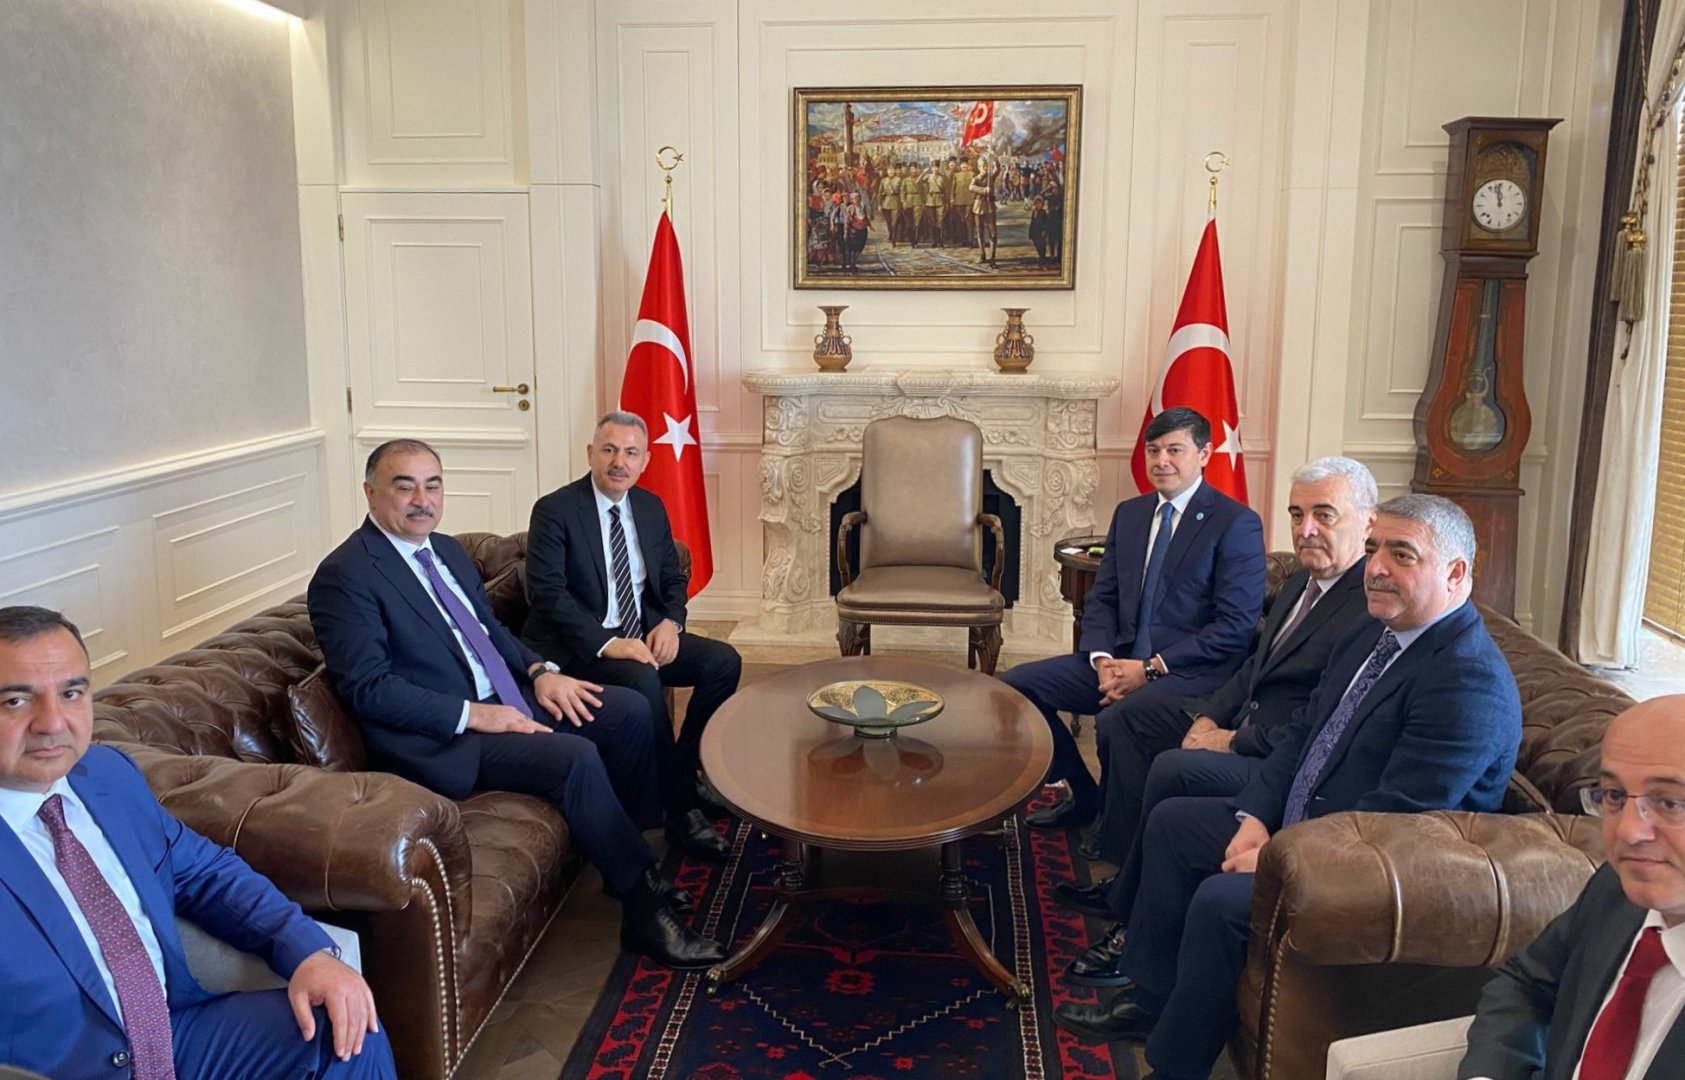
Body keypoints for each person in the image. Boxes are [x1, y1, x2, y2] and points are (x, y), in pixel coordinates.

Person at [1053, 494, 1523, 1080]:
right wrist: (1255, 816)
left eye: (1402, 554)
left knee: (1221, 902)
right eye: (1374, 548)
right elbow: (1305, 733)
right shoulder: (1375, 631)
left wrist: (1281, 857)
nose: (1376, 567)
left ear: (1454, 573)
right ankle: (1150, 1000)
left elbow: (1396, 825)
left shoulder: (1467, 682)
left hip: (1381, 875)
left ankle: (1175, 1066)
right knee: (1174, 824)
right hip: (1312, 823)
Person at [307, 439, 725, 969]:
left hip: (508, 696)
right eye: (404, 486)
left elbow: (491, 631)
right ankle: (643, 912)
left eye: (432, 485)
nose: (422, 500)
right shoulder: (346, 575)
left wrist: (540, 673)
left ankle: (628, 864)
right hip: (447, 735)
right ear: (370, 493)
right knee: (574, 758)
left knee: (629, 711)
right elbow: (369, 687)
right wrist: (475, 715)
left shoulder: (446, 551)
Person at [0, 605, 397, 1080]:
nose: (52, 723)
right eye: (16, 701)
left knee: (347, 1032)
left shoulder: (107, 775)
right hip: (63, 1070)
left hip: (174, 1036)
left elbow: (207, 872)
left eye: (71, 693)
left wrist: (308, 951)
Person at [1057, 457, 1380, 986]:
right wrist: (1208, 715)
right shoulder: (1303, 582)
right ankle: (1123, 879)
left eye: (1324, 515)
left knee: (1174, 770)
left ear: (1367, 523)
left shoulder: (1368, 606)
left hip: (1280, 756)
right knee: (1132, 719)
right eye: (1297, 514)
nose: (1305, 530)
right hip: (1245, 719)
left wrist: (1231, 740)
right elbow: (1255, 666)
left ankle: (1133, 927)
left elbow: (1323, 722)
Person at [999, 407, 1266, 831]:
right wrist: (1102, 659)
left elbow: (1234, 628)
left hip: (1188, 672)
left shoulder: (1236, 523)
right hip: (1120, 661)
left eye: (1175, 450)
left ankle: (1117, 831)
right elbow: (1102, 597)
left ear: (1204, 454)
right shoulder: (1131, 514)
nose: (1162, 461)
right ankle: (1083, 793)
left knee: (1113, 721)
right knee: (1016, 687)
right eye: (1153, 450)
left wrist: (1149, 669)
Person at [521, 412, 743, 862]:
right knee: (643, 679)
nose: (618, 462)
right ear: (591, 454)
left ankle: (685, 772)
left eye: (630, 452)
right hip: (578, 647)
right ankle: (681, 811)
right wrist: (609, 643)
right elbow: (546, 594)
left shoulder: (649, 506)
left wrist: (671, 623)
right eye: (609, 450)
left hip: (642, 635)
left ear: (645, 460)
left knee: (723, 662)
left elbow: (672, 578)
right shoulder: (555, 510)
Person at [1459, 694, 1685, 1080]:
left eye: (1670, 802)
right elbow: (1528, 982)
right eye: (1614, 795)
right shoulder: (1615, 889)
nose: (1629, 832)